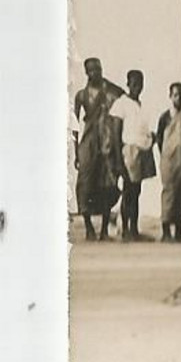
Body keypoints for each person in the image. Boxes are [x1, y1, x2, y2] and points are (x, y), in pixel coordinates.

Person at [72, 58, 122, 241]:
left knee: (107, 182)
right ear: (87, 73)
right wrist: (76, 151)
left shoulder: (109, 90)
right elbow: (74, 125)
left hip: (106, 139)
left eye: (98, 69)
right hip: (89, 140)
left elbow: (123, 97)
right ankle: (88, 227)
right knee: (84, 182)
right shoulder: (81, 95)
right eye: (91, 70)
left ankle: (104, 231)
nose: (95, 73)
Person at [109, 70, 155, 241]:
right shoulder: (121, 104)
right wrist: (119, 160)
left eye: (140, 83)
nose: (137, 87)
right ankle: (126, 228)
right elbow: (116, 133)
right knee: (128, 191)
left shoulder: (141, 105)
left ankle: (134, 229)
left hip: (142, 151)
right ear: (128, 84)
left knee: (136, 191)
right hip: (128, 151)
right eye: (134, 83)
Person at [154, 82, 181, 242]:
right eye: (175, 95)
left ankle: (179, 232)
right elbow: (159, 138)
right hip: (169, 161)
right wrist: (167, 156)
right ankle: (166, 232)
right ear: (170, 97)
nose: (179, 99)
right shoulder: (165, 117)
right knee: (169, 194)